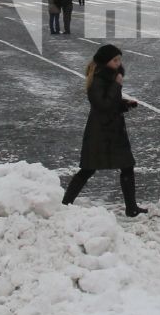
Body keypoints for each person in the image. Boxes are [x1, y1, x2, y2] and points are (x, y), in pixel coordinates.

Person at [60, 43, 143, 217]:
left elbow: (110, 103)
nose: (119, 63)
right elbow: (102, 105)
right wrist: (117, 86)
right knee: (88, 168)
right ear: (105, 62)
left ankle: (131, 208)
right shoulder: (98, 79)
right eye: (115, 60)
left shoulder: (108, 77)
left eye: (119, 59)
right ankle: (65, 204)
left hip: (112, 129)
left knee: (127, 166)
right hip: (100, 131)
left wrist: (125, 104)